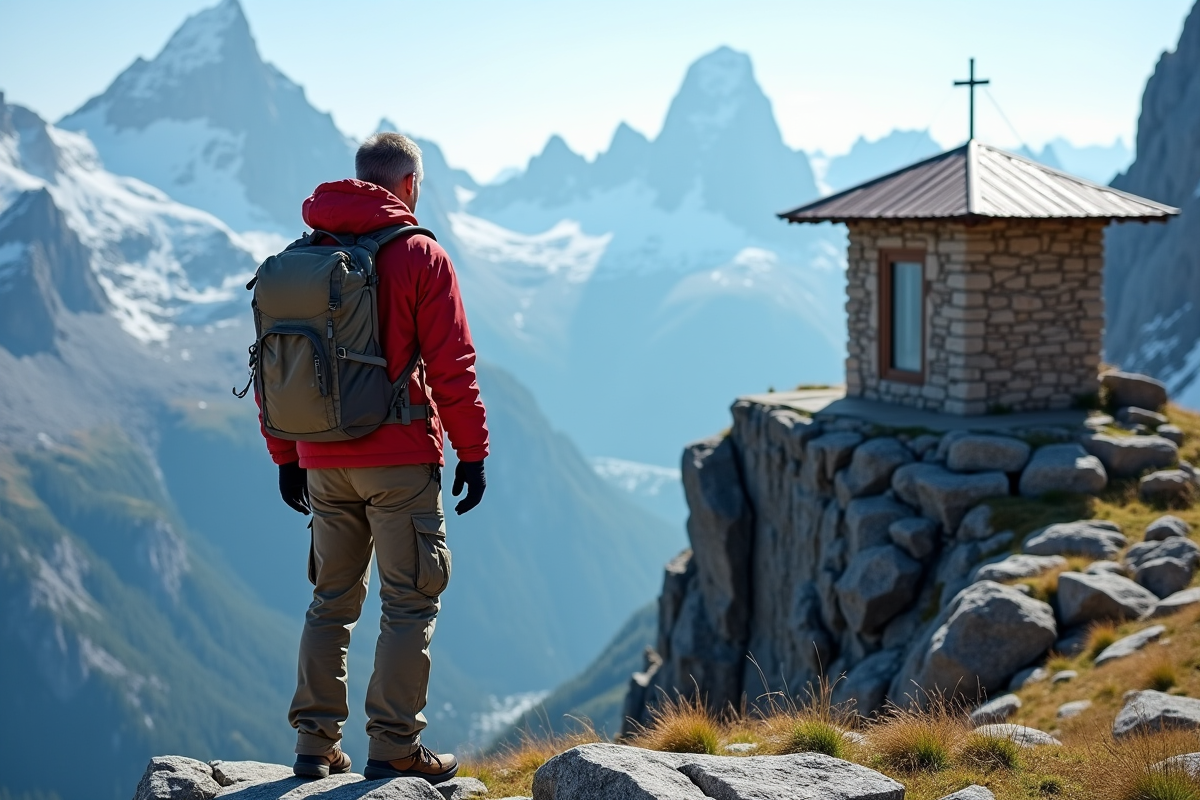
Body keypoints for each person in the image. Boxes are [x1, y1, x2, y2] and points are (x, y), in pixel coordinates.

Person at [258, 132, 489, 785]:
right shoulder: (420, 255)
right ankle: (394, 745)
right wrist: (473, 452)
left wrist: (286, 455)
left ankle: (314, 745)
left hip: (320, 459)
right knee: (409, 602)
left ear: (360, 179)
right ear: (409, 185)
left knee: (330, 601)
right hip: (399, 459)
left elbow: (274, 366)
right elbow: (452, 365)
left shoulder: (301, 256)